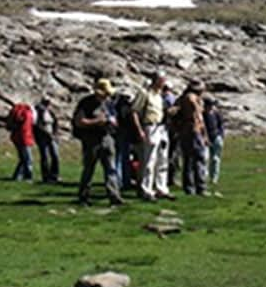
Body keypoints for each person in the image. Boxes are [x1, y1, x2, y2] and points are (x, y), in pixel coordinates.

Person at [71, 78, 122, 206]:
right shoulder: (86, 103)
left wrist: (113, 122)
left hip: (107, 137)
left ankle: (114, 196)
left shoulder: (109, 103)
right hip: (91, 140)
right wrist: (96, 122)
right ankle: (83, 196)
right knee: (89, 168)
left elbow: (115, 118)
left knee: (111, 168)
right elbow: (79, 121)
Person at [131, 71, 172, 202]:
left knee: (162, 159)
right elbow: (135, 112)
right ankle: (146, 189)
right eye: (162, 80)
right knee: (149, 160)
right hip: (149, 126)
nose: (164, 82)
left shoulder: (159, 96)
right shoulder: (144, 94)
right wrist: (140, 130)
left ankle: (161, 188)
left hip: (160, 127)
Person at [175, 81, 209, 196]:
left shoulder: (186, 98)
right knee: (196, 158)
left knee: (191, 159)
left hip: (192, 131)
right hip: (191, 131)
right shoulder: (190, 98)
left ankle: (192, 186)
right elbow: (196, 115)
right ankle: (198, 186)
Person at [7, 101, 37, 182]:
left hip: (17, 137)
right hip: (24, 138)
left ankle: (18, 176)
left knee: (23, 158)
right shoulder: (27, 113)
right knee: (28, 159)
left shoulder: (20, 112)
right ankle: (28, 177)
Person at [32, 97, 60, 183]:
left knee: (55, 155)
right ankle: (46, 176)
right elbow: (37, 125)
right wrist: (47, 134)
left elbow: (55, 122)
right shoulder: (38, 112)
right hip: (42, 137)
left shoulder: (50, 112)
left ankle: (54, 175)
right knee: (45, 156)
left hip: (52, 136)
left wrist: (55, 134)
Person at [203, 96, 226, 185]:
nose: (211, 107)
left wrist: (220, 135)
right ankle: (204, 177)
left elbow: (221, 125)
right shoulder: (202, 115)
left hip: (216, 137)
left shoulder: (216, 114)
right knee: (205, 158)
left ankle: (214, 178)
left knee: (215, 159)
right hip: (206, 138)